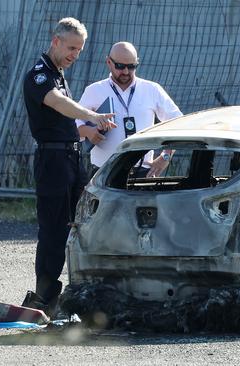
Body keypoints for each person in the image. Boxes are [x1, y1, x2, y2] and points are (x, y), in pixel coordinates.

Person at [22, 17, 115, 312]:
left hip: (72, 157)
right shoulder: (40, 75)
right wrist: (93, 115)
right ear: (56, 41)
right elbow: (58, 103)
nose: (75, 55)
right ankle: (45, 298)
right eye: (72, 48)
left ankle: (80, 291)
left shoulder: (58, 73)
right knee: (53, 229)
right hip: (53, 160)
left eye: (80, 50)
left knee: (81, 225)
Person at [76, 41, 182, 178]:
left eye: (131, 66)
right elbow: (73, 126)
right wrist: (89, 132)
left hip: (143, 172)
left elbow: (178, 122)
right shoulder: (94, 91)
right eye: (120, 66)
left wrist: (165, 157)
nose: (126, 72)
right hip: (104, 173)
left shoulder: (152, 89)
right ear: (109, 62)